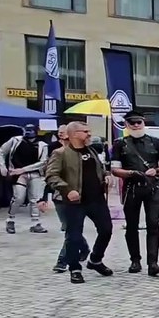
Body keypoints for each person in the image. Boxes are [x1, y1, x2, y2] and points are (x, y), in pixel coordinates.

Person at [45, 121, 115, 284]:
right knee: (73, 236)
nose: (89, 134)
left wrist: (105, 175)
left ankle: (95, 260)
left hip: (96, 199)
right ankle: (75, 269)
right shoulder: (60, 153)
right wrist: (67, 190)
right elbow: (51, 176)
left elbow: (97, 169)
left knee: (106, 230)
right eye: (85, 132)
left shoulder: (91, 150)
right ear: (74, 134)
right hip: (75, 202)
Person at [110, 109, 159, 276]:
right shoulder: (120, 144)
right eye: (132, 123)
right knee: (132, 226)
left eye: (139, 122)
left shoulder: (156, 142)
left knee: (153, 224)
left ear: (143, 123)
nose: (136, 125)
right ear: (127, 125)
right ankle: (135, 260)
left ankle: (153, 263)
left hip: (152, 188)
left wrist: (156, 170)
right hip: (131, 188)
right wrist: (129, 173)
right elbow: (115, 169)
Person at [44, 124, 89, 273]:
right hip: (60, 197)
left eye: (64, 133)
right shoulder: (55, 152)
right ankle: (83, 246)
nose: (61, 136)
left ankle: (62, 261)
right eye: (59, 133)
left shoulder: (84, 151)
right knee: (69, 228)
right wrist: (42, 197)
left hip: (78, 197)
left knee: (70, 229)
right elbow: (49, 175)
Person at [0, 123, 50, 235]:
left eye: (31, 130)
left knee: (35, 199)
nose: (29, 132)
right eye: (27, 130)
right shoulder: (16, 140)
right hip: (17, 173)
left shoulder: (42, 145)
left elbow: (43, 162)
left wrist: (23, 169)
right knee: (18, 197)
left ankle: (36, 223)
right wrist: (2, 167)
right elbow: (1, 152)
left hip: (35, 174)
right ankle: (10, 219)